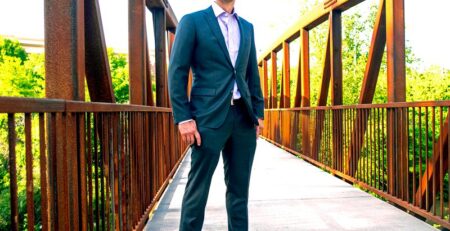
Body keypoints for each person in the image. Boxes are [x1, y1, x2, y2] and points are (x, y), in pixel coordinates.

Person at [168, 0, 264, 230]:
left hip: (243, 118)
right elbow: (177, 71)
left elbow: (252, 73)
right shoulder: (192, 22)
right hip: (206, 120)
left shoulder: (247, 27)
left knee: (239, 192)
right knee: (197, 191)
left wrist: (258, 113)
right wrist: (183, 118)